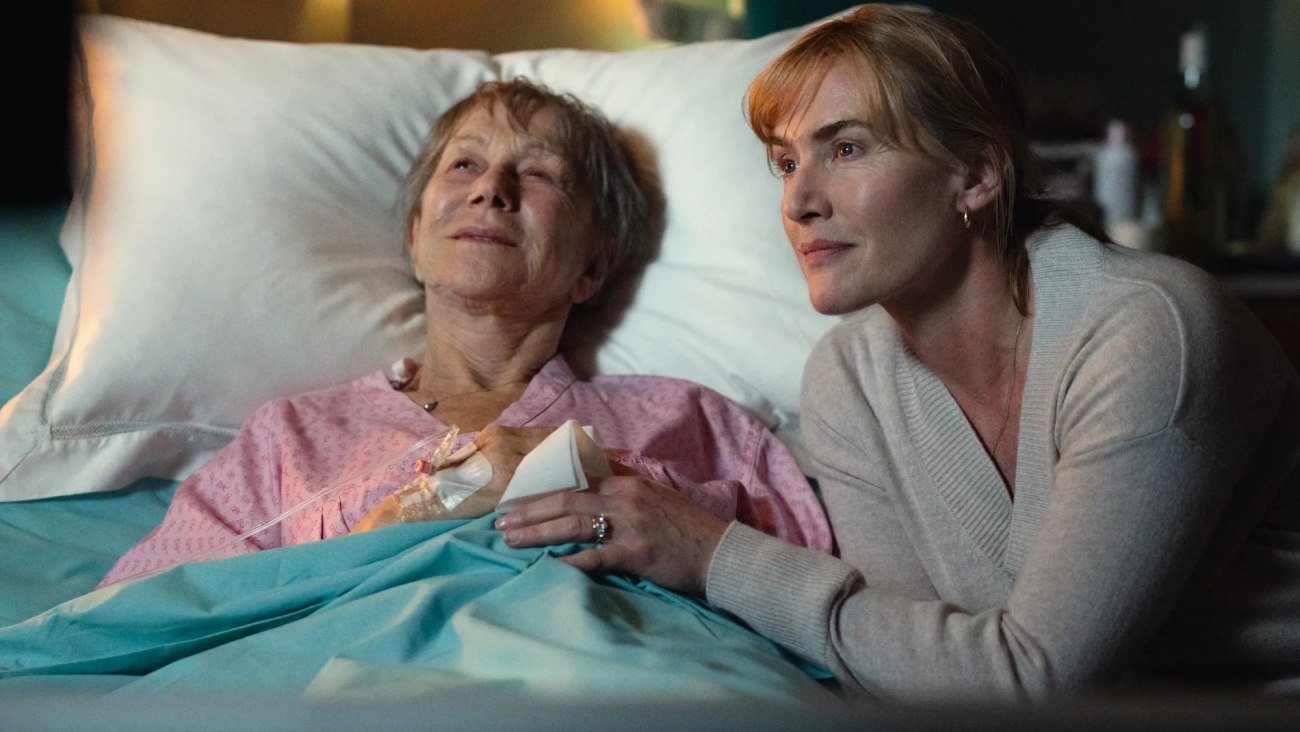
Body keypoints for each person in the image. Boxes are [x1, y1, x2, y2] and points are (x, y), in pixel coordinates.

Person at [496, 5, 1300, 699]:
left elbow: (1034, 677)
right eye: (786, 162)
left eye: (846, 149)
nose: (799, 201)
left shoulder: (1148, 332)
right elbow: (905, 663)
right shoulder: (849, 376)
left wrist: (714, 555)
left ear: (975, 173)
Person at [100, 78, 831, 587]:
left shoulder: (695, 423)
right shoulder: (291, 440)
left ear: (591, 268)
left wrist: (630, 492)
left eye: (539, 174)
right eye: (465, 164)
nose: (491, 189)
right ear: (415, 240)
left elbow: (823, 618)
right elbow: (132, 617)